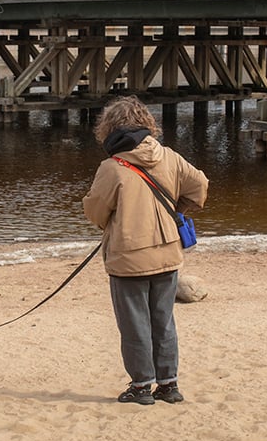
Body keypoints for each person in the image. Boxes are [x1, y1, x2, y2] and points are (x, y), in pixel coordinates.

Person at [83, 95, 208, 406]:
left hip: (129, 257)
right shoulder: (169, 156)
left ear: (108, 128)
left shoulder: (111, 167)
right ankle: (169, 385)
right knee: (163, 321)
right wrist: (176, 210)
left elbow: (95, 211)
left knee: (135, 323)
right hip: (167, 252)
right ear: (147, 123)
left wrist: (115, 222)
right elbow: (200, 186)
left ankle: (141, 387)